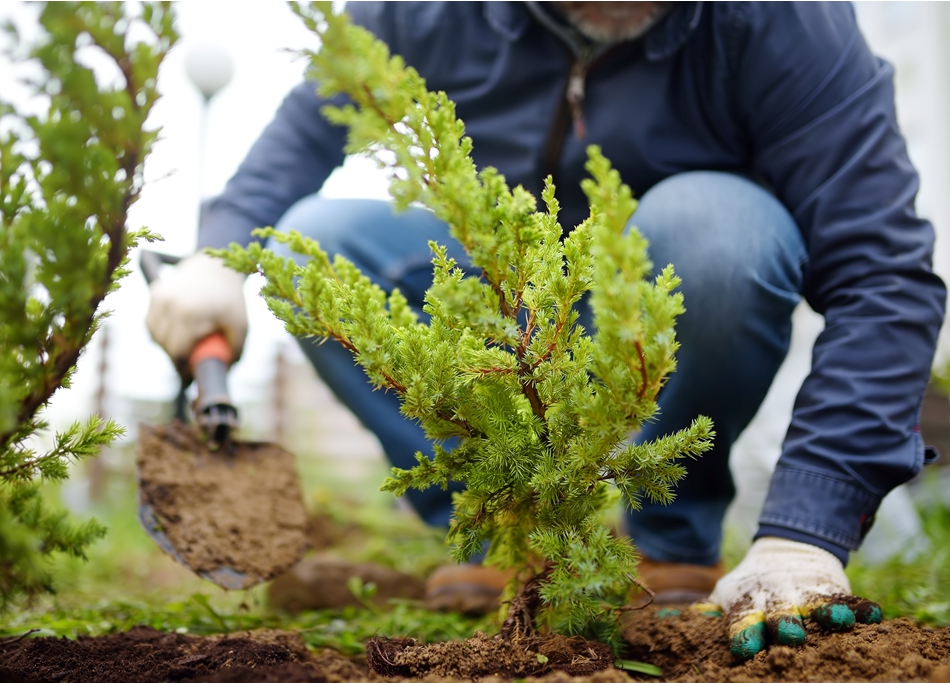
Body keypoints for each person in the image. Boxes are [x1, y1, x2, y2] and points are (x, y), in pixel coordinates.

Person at [147, 2, 946, 658]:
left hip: (671, 296)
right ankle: (504, 527)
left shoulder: (783, 21)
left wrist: (805, 533)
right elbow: (306, 130)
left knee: (716, 230)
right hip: (511, 298)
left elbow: (882, 273)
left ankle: (672, 530)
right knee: (305, 245)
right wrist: (220, 253)